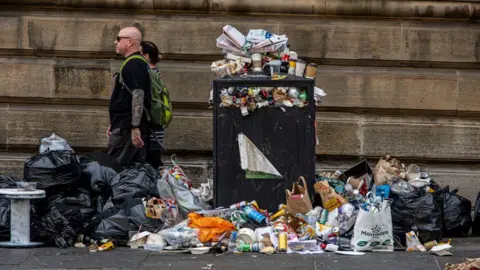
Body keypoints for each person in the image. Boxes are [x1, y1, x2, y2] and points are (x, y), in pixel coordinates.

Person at [107, 27, 151, 168]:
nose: (116, 42)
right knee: (131, 169)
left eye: (119, 39)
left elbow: (138, 95)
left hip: (126, 130)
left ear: (129, 42)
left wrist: (135, 127)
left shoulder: (133, 64)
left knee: (116, 168)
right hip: (124, 125)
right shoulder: (136, 63)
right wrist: (114, 123)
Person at [140, 40, 164, 169]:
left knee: (153, 162)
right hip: (155, 126)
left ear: (146, 56)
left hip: (152, 128)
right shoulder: (155, 73)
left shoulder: (150, 74)